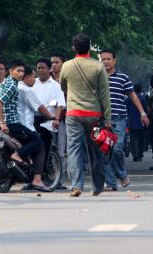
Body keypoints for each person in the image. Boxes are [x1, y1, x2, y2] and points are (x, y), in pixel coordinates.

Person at [60, 33, 112, 196]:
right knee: (95, 150)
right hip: (94, 115)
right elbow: (105, 94)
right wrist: (108, 118)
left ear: (73, 48)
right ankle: (97, 186)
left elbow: (63, 86)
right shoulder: (98, 66)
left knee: (74, 149)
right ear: (89, 47)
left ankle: (76, 185)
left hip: (74, 113)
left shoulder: (66, 66)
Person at [100, 49, 149, 191]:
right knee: (105, 150)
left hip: (119, 118)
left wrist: (142, 113)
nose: (106, 62)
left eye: (109, 59)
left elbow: (133, 96)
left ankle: (122, 174)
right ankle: (110, 183)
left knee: (117, 148)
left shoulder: (123, 77)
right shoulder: (96, 78)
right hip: (101, 119)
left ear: (114, 61)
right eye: (103, 59)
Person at [0, 62, 52, 192]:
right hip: (14, 123)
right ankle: (37, 179)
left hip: (9, 124)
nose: (21, 74)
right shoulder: (16, 86)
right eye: (18, 71)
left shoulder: (5, 84)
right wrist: (3, 123)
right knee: (38, 144)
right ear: (11, 71)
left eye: (22, 71)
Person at [32, 58, 65, 174]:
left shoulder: (56, 85)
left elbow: (60, 104)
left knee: (52, 148)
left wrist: (56, 119)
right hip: (32, 120)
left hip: (49, 121)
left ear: (49, 69)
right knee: (34, 147)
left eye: (43, 68)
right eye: (38, 68)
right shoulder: (32, 83)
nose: (40, 70)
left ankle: (55, 176)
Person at [127, 84, 148, 162]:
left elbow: (127, 109)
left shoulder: (129, 99)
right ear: (141, 89)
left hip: (132, 122)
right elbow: (146, 109)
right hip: (141, 122)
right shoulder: (143, 98)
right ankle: (140, 155)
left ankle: (134, 154)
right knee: (141, 140)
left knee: (133, 139)